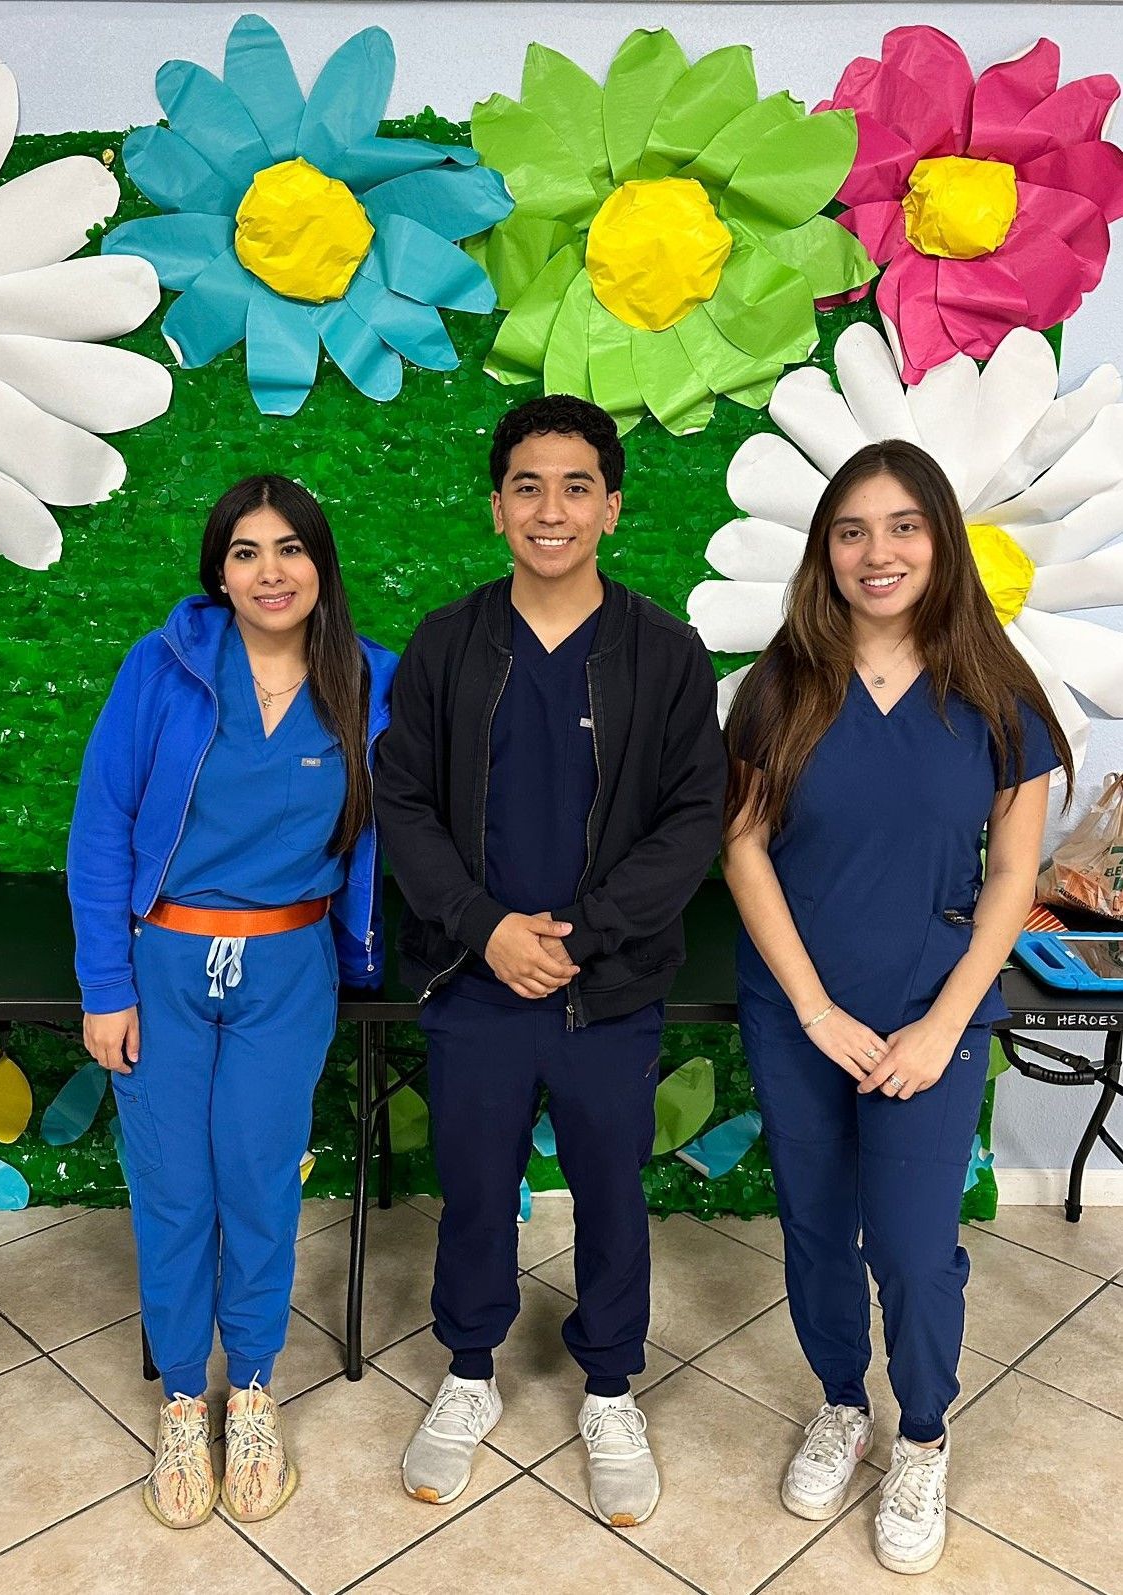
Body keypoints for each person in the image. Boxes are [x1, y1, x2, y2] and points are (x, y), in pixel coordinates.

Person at [373, 394, 725, 1526]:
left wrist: (582, 934)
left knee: (611, 1194)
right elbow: (402, 800)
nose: (551, 507)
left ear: (611, 508)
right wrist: (485, 928)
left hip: (604, 988)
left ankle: (610, 1386)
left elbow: (692, 816)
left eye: (576, 485)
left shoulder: (663, 652)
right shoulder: (447, 641)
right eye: (527, 484)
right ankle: (468, 1372)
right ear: (495, 507)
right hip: (475, 983)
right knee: (474, 1188)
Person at [721, 440, 1072, 1575]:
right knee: (818, 1229)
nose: (877, 552)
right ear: (824, 550)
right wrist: (816, 1009)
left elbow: (1014, 877)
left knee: (917, 1250)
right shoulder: (779, 684)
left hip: (933, 1004)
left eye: (902, 526)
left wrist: (939, 1023)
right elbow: (740, 847)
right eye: (851, 530)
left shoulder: (999, 694)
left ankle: (919, 1433)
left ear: (939, 540)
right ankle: (839, 1402)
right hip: (799, 1010)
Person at [68, 475, 396, 1530]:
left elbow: (421, 816)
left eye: (290, 548)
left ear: (320, 563)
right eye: (246, 551)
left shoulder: (367, 681)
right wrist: (105, 985)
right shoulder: (160, 670)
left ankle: (249, 1390)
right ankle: (180, 1398)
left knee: (257, 1180)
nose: (269, 571)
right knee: (172, 1189)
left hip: (287, 968)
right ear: (219, 569)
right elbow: (100, 825)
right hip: (160, 965)